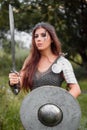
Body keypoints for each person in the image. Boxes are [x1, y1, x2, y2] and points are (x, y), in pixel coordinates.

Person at [9, 22, 81, 98]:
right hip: (33, 108)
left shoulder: (62, 62)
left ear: (52, 39)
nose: (39, 39)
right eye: (36, 36)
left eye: (43, 35)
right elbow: (16, 89)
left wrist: (60, 104)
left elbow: (76, 89)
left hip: (54, 108)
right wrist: (13, 82)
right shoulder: (30, 61)